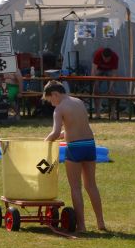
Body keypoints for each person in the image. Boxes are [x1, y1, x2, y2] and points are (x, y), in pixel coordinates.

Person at [43, 80, 106, 233]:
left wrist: (44, 142)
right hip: (89, 144)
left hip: (75, 147)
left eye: (50, 100)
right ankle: (101, 222)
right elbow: (77, 125)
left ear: (55, 94)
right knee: (91, 185)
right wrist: (64, 134)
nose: (51, 104)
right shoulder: (78, 102)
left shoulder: (59, 109)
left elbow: (55, 133)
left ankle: (82, 226)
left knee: (76, 188)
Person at [91, 47, 119, 114]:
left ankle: (113, 113)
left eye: (108, 59)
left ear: (111, 56)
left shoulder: (115, 57)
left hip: (110, 70)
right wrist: (96, 85)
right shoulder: (98, 54)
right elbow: (93, 71)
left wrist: (110, 88)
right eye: (104, 58)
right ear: (102, 55)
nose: (106, 60)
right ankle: (97, 113)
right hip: (99, 70)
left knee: (112, 92)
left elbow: (114, 74)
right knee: (96, 91)